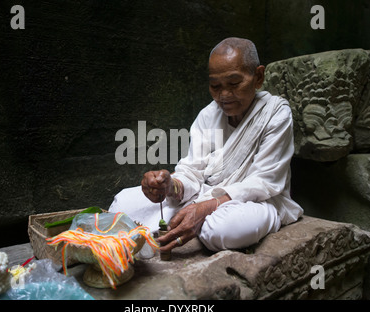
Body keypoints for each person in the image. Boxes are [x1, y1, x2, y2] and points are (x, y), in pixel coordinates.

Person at [109, 37, 303, 254]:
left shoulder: (275, 112)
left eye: (234, 83)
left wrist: (207, 207)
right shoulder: (208, 115)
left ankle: (198, 221)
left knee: (220, 230)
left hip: (259, 201)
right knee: (123, 202)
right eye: (215, 86)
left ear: (258, 77)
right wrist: (170, 185)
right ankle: (194, 220)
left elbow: (264, 182)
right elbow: (193, 170)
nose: (224, 95)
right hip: (204, 194)